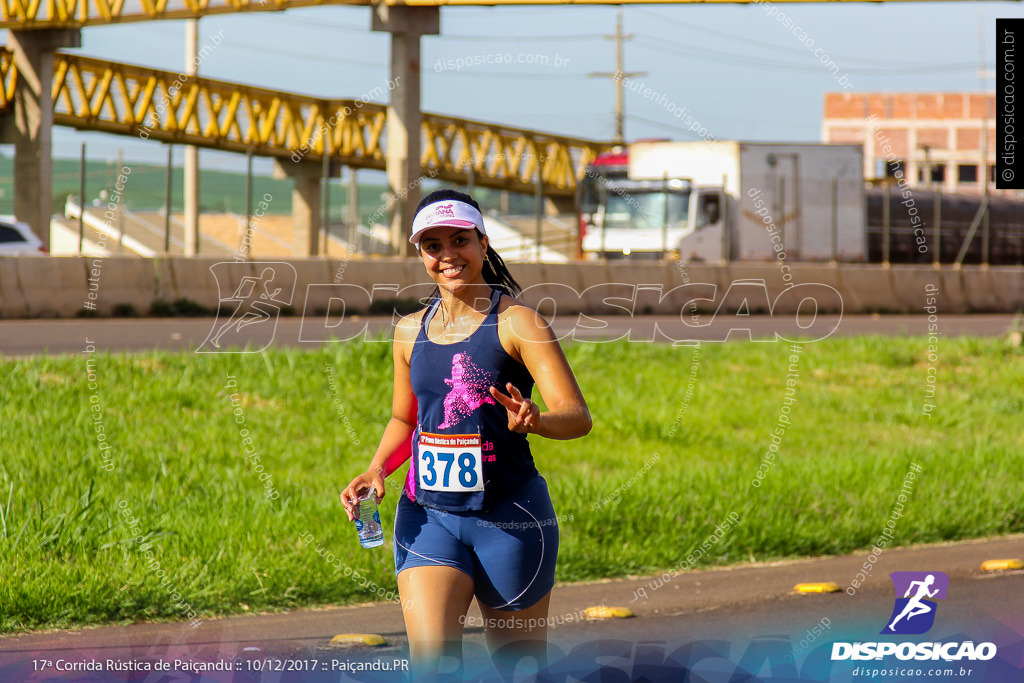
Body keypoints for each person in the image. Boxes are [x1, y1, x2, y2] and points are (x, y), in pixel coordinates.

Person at [341, 189, 592, 679]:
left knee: (519, 670)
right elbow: (404, 420)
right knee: (433, 666)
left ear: (482, 242)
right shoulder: (409, 330)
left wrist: (537, 420)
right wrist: (376, 469)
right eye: (433, 245)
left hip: (510, 518)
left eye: (460, 240)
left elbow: (577, 416)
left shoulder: (518, 322)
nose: (447, 254)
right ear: (421, 253)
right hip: (428, 514)